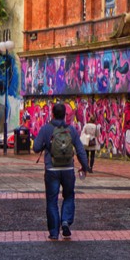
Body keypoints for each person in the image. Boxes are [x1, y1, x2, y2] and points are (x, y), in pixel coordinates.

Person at [31, 102, 91, 241]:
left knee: (52, 200)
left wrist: (47, 145)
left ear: (52, 113)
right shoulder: (71, 130)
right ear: (65, 115)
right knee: (69, 196)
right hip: (68, 169)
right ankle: (65, 221)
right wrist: (85, 166)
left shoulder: (46, 129)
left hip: (52, 169)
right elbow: (80, 150)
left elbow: (36, 147)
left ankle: (53, 232)